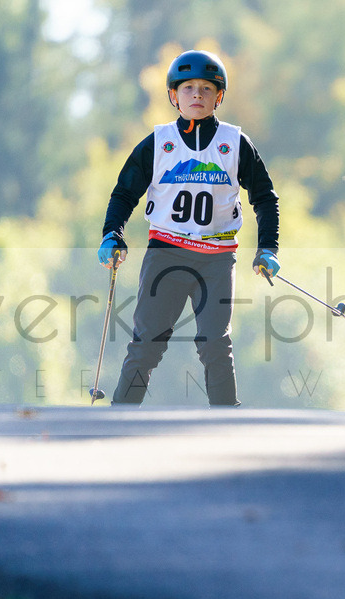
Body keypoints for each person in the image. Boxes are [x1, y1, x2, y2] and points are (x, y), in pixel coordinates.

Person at [98, 49, 280, 406]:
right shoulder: (158, 142)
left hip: (216, 258)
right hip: (166, 254)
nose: (197, 94)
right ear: (173, 96)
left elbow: (265, 198)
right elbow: (124, 193)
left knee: (215, 343)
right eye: (188, 88)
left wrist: (268, 248)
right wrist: (111, 233)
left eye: (207, 89)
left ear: (219, 96)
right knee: (146, 344)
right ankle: (120, 416)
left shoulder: (234, 143)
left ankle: (226, 421)